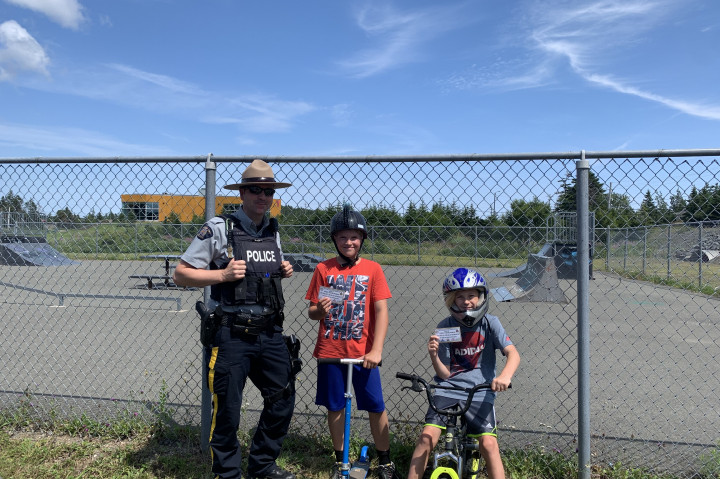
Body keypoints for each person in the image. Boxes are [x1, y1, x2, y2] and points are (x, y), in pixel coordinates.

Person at [173, 159, 296, 479]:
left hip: (269, 333)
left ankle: (262, 465)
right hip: (231, 334)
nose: (262, 196)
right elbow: (181, 275)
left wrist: (280, 271)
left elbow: (261, 272)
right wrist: (221, 274)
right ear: (241, 193)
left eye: (268, 191)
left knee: (282, 399)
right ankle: (228, 473)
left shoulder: (272, 230)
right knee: (227, 410)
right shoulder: (218, 228)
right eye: (255, 189)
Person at [305, 205, 399, 479]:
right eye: (343, 237)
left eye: (354, 237)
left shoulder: (372, 269)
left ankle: (385, 460)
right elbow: (312, 311)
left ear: (362, 240)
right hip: (331, 352)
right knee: (334, 407)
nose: (349, 242)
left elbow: (381, 310)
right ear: (335, 239)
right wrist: (319, 311)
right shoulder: (324, 269)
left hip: (363, 354)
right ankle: (340, 459)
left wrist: (377, 349)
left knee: (375, 405)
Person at [406, 267, 520, 479]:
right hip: (448, 389)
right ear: (451, 300)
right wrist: (434, 357)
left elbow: (513, 353)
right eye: (460, 297)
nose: (467, 301)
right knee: (426, 438)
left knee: (488, 443)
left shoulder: (490, 323)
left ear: (481, 297)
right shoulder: (445, 326)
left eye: (471, 296)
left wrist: (504, 376)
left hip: (479, 391)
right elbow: (445, 373)